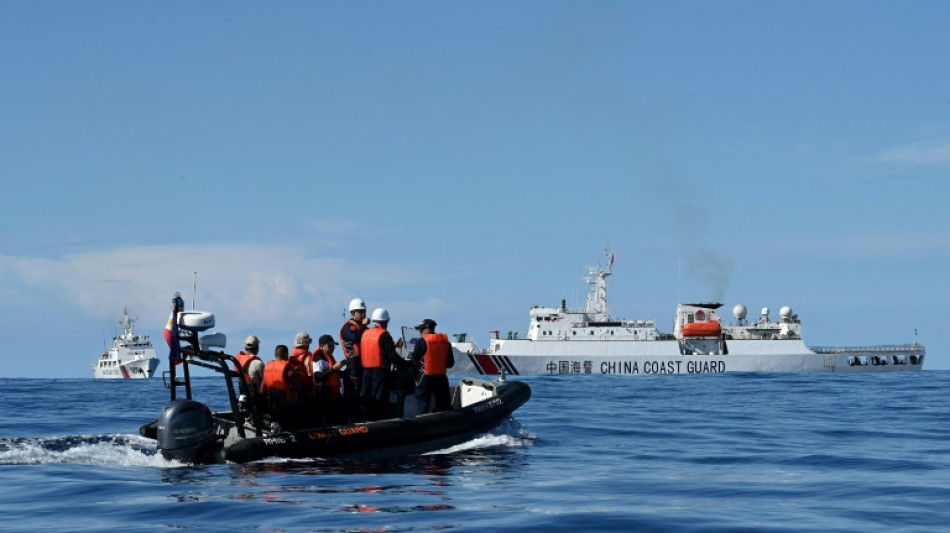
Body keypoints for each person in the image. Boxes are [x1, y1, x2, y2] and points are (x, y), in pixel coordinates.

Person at [359, 308, 408, 420]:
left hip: (366, 371)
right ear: (386, 321)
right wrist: (405, 364)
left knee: (366, 398)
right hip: (380, 372)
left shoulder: (365, 333)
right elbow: (392, 356)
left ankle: (365, 420)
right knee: (379, 399)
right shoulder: (384, 335)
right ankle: (379, 421)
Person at [409, 318, 455, 414]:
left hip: (425, 378)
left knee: (423, 404)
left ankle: (422, 423)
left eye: (421, 330)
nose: (420, 332)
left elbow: (414, 362)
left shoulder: (421, 342)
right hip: (441, 378)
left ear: (428, 330)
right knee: (444, 404)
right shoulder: (446, 342)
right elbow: (450, 363)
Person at [261, 344, 310, 429]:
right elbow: (299, 388)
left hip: (272, 407)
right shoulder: (288, 369)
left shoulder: (267, 368)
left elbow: (262, 390)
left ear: (275, 354)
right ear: (286, 354)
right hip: (287, 406)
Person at [339, 298, 369, 398]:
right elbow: (355, 338)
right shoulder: (347, 327)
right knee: (354, 389)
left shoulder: (363, 328)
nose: (363, 314)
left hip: (364, 363)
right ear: (353, 313)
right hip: (353, 363)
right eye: (360, 312)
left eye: (364, 311)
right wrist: (364, 325)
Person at [311, 334, 346, 412]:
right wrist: (333, 369)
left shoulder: (330, 358)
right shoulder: (319, 359)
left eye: (333, 346)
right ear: (322, 346)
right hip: (324, 396)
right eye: (330, 346)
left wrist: (347, 369)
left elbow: (336, 375)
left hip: (334, 395)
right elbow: (317, 377)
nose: (332, 348)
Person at [234, 335, 265, 413]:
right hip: (257, 399)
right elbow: (266, 381)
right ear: (257, 348)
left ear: (245, 348)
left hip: (244, 395)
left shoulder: (237, 361)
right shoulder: (258, 363)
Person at [289, 331, 315, 398]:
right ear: (306, 344)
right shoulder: (307, 358)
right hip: (306, 392)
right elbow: (311, 374)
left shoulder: (292, 357)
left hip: (296, 392)